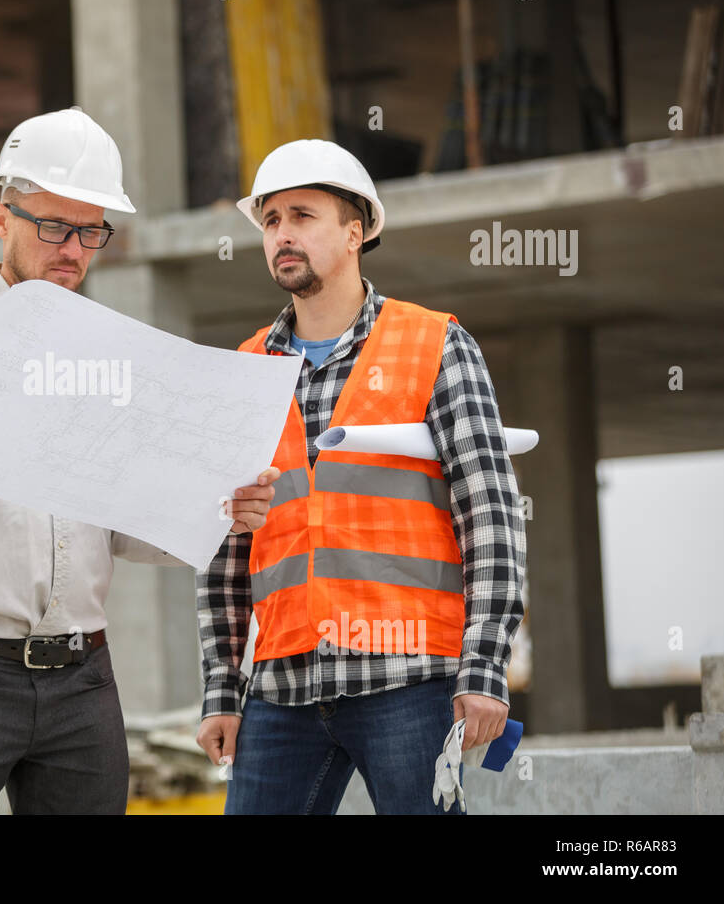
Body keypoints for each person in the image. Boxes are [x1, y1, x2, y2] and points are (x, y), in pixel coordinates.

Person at [0, 107, 279, 814]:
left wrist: (222, 511)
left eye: (91, 231)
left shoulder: (107, 355)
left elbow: (122, 529)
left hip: (80, 678)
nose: (74, 248)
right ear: (2, 219)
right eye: (54, 227)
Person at [194, 139, 526, 814]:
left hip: (409, 680)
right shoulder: (247, 367)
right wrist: (221, 692)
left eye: (302, 215)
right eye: (271, 221)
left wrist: (485, 668)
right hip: (283, 688)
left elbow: (490, 514)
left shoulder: (434, 344)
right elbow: (222, 544)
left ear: (355, 232)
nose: (282, 234)